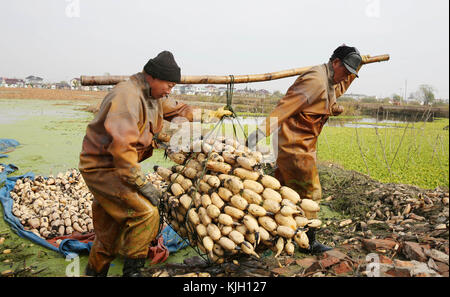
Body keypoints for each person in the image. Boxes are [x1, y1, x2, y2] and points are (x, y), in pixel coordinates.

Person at [79, 51, 231, 277]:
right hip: (105, 168)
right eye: (169, 85)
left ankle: (94, 272)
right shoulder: (126, 97)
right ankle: (133, 271)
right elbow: (122, 149)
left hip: (119, 167)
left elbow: (179, 109)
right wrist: (142, 184)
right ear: (152, 77)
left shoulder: (153, 95)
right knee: (147, 213)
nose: (170, 90)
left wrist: (209, 114)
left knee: (109, 230)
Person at [247, 45, 368, 254]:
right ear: (335, 62)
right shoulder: (315, 80)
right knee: (312, 191)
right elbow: (286, 106)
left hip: (303, 143)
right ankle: (309, 242)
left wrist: (360, 64)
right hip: (294, 144)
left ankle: (275, 233)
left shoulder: (332, 79)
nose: (346, 76)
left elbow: (338, 89)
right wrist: (259, 133)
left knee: (286, 190)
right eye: (346, 71)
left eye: (351, 74)